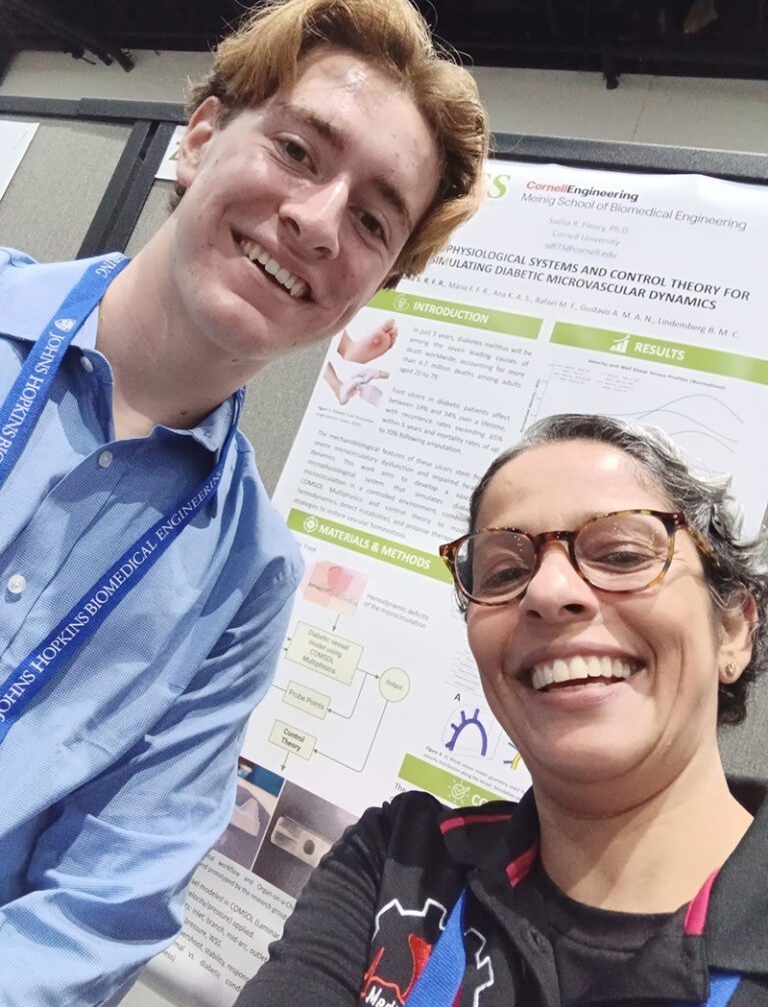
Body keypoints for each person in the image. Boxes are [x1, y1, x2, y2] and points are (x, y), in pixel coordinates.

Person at [0, 0, 489, 1002]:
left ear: (369, 290)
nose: (316, 222)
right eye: (298, 151)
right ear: (199, 138)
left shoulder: (247, 579)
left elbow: (103, 904)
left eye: (372, 220)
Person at [237, 413, 768, 1006]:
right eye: (506, 571)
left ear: (733, 629)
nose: (547, 592)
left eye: (621, 555)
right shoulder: (403, 862)